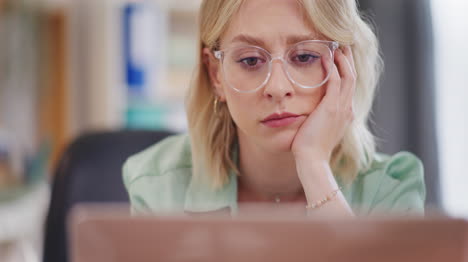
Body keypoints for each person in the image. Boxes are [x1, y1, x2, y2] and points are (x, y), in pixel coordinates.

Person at [123, 0, 425, 217]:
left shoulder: (392, 188)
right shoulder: (155, 183)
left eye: (304, 56)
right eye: (251, 60)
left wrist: (314, 165)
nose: (278, 88)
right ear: (216, 75)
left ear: (345, 66)